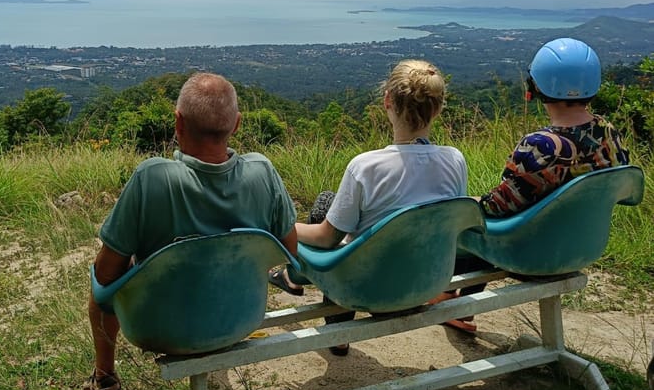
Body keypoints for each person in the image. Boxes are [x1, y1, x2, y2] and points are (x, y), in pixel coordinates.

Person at [85, 72, 298, 390]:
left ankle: (105, 379)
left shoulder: (151, 177)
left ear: (178, 123)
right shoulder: (263, 173)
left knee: (100, 281)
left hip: (159, 330)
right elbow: (289, 250)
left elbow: (105, 276)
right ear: (237, 124)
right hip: (239, 319)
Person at [268, 59, 468, 351]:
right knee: (328, 201)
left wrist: (279, 226)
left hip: (367, 287)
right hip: (427, 281)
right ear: (438, 108)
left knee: (326, 207)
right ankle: (294, 279)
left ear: (387, 101)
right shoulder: (455, 160)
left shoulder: (366, 167)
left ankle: (335, 327)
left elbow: (326, 237)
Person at [479, 37, 629, 218]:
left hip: (535, 242)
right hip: (589, 240)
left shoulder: (539, 146)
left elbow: (497, 206)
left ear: (536, 87)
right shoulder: (609, 132)